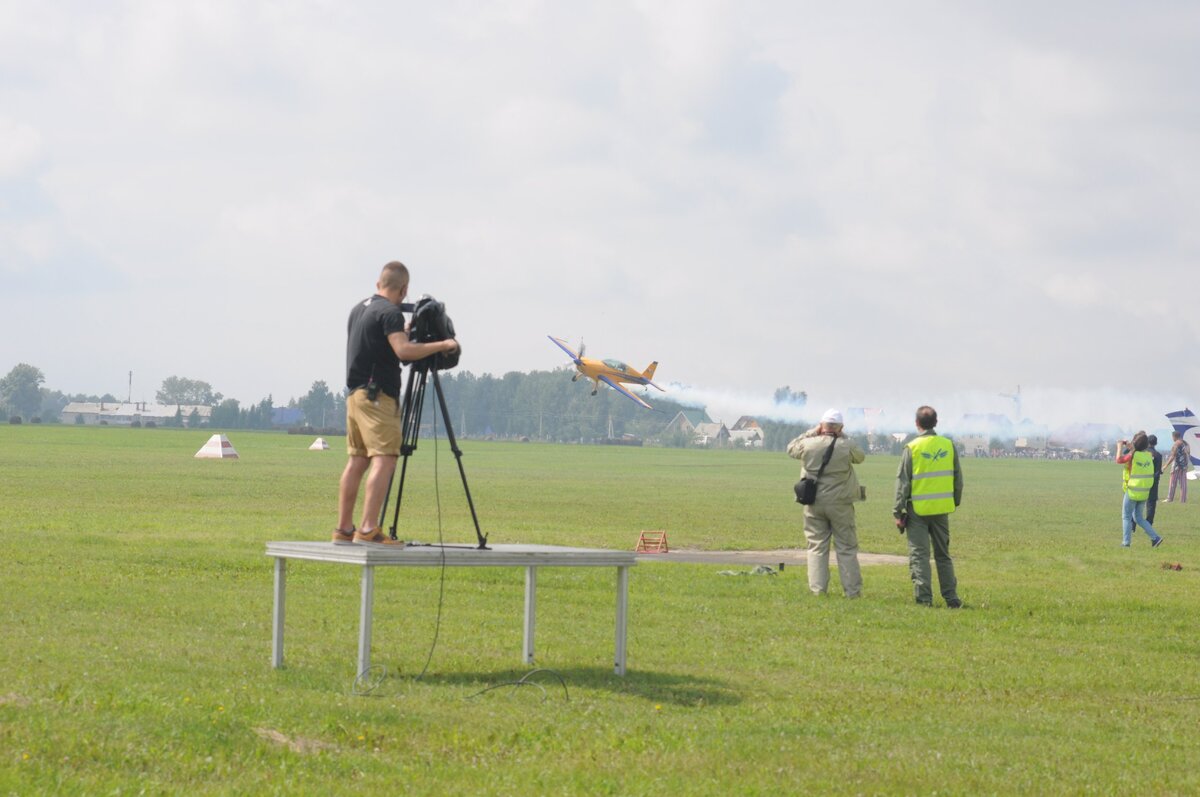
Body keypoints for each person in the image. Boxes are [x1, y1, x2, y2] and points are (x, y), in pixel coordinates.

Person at [333, 261, 459, 546]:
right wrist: (444, 344)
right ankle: (367, 529)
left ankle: (343, 528)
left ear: (379, 283)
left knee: (357, 460)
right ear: (404, 290)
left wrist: (402, 330)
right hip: (378, 397)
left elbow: (378, 345)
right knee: (386, 457)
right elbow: (403, 350)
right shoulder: (389, 312)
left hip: (355, 395)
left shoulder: (359, 309)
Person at [786, 408, 865, 598]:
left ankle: (818, 591)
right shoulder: (846, 445)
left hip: (813, 502)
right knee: (846, 548)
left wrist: (812, 432)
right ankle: (852, 592)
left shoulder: (808, 444)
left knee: (816, 547)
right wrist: (841, 434)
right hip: (841, 503)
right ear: (840, 427)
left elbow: (791, 448)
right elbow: (860, 457)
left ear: (821, 425)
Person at [893, 406, 963, 608]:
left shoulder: (912, 448)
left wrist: (898, 511)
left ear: (917, 424)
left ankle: (924, 599)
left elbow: (903, 482)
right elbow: (958, 479)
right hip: (942, 509)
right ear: (936, 423)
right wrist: (954, 501)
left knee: (920, 555)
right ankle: (951, 598)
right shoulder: (948, 445)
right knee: (943, 555)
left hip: (918, 510)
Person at [1115, 431, 1163, 548]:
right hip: (1144, 492)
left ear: (1135, 444)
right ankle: (1155, 538)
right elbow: (1137, 451)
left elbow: (1119, 460)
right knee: (1139, 518)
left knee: (1126, 516)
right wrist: (1132, 447)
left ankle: (1126, 543)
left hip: (1132, 491)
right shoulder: (1147, 455)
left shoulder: (1133, 455)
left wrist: (1119, 446)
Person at [1166, 431, 1191, 504]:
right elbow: (1188, 454)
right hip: (1184, 466)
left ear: (1174, 436)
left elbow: (1173, 456)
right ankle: (1183, 500)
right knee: (1183, 483)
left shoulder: (1176, 444)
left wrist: (1165, 465)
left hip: (1176, 466)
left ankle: (1170, 498)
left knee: (1173, 482)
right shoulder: (1186, 444)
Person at [1146, 435, 1162, 525]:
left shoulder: (1143, 453)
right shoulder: (1158, 455)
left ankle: (1133, 524)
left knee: (1136, 502)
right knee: (1151, 503)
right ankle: (1149, 523)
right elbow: (1158, 471)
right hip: (1154, 481)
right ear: (1156, 443)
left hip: (1142, 481)